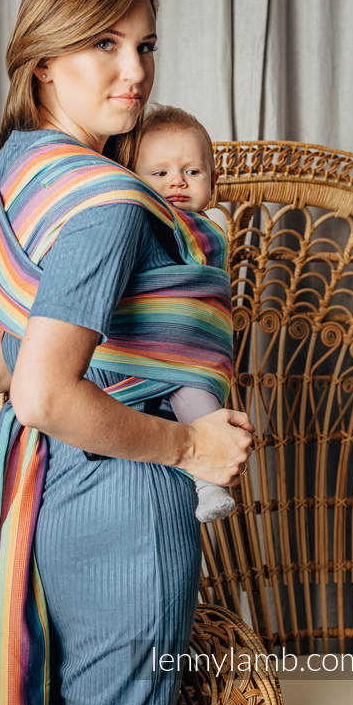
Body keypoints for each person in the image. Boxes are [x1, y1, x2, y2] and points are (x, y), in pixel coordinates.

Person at [0, 0, 254, 705]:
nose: (134, 71)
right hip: (128, 493)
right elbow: (43, 393)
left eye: (144, 45)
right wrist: (190, 445)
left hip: (38, 490)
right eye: (104, 43)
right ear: (42, 61)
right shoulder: (107, 201)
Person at [134, 105, 238, 522]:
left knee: (197, 397)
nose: (177, 181)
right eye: (159, 173)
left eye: (192, 172)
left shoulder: (210, 229)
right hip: (144, 348)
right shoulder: (137, 220)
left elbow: (205, 293)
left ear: (213, 180)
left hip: (192, 352)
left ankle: (209, 481)